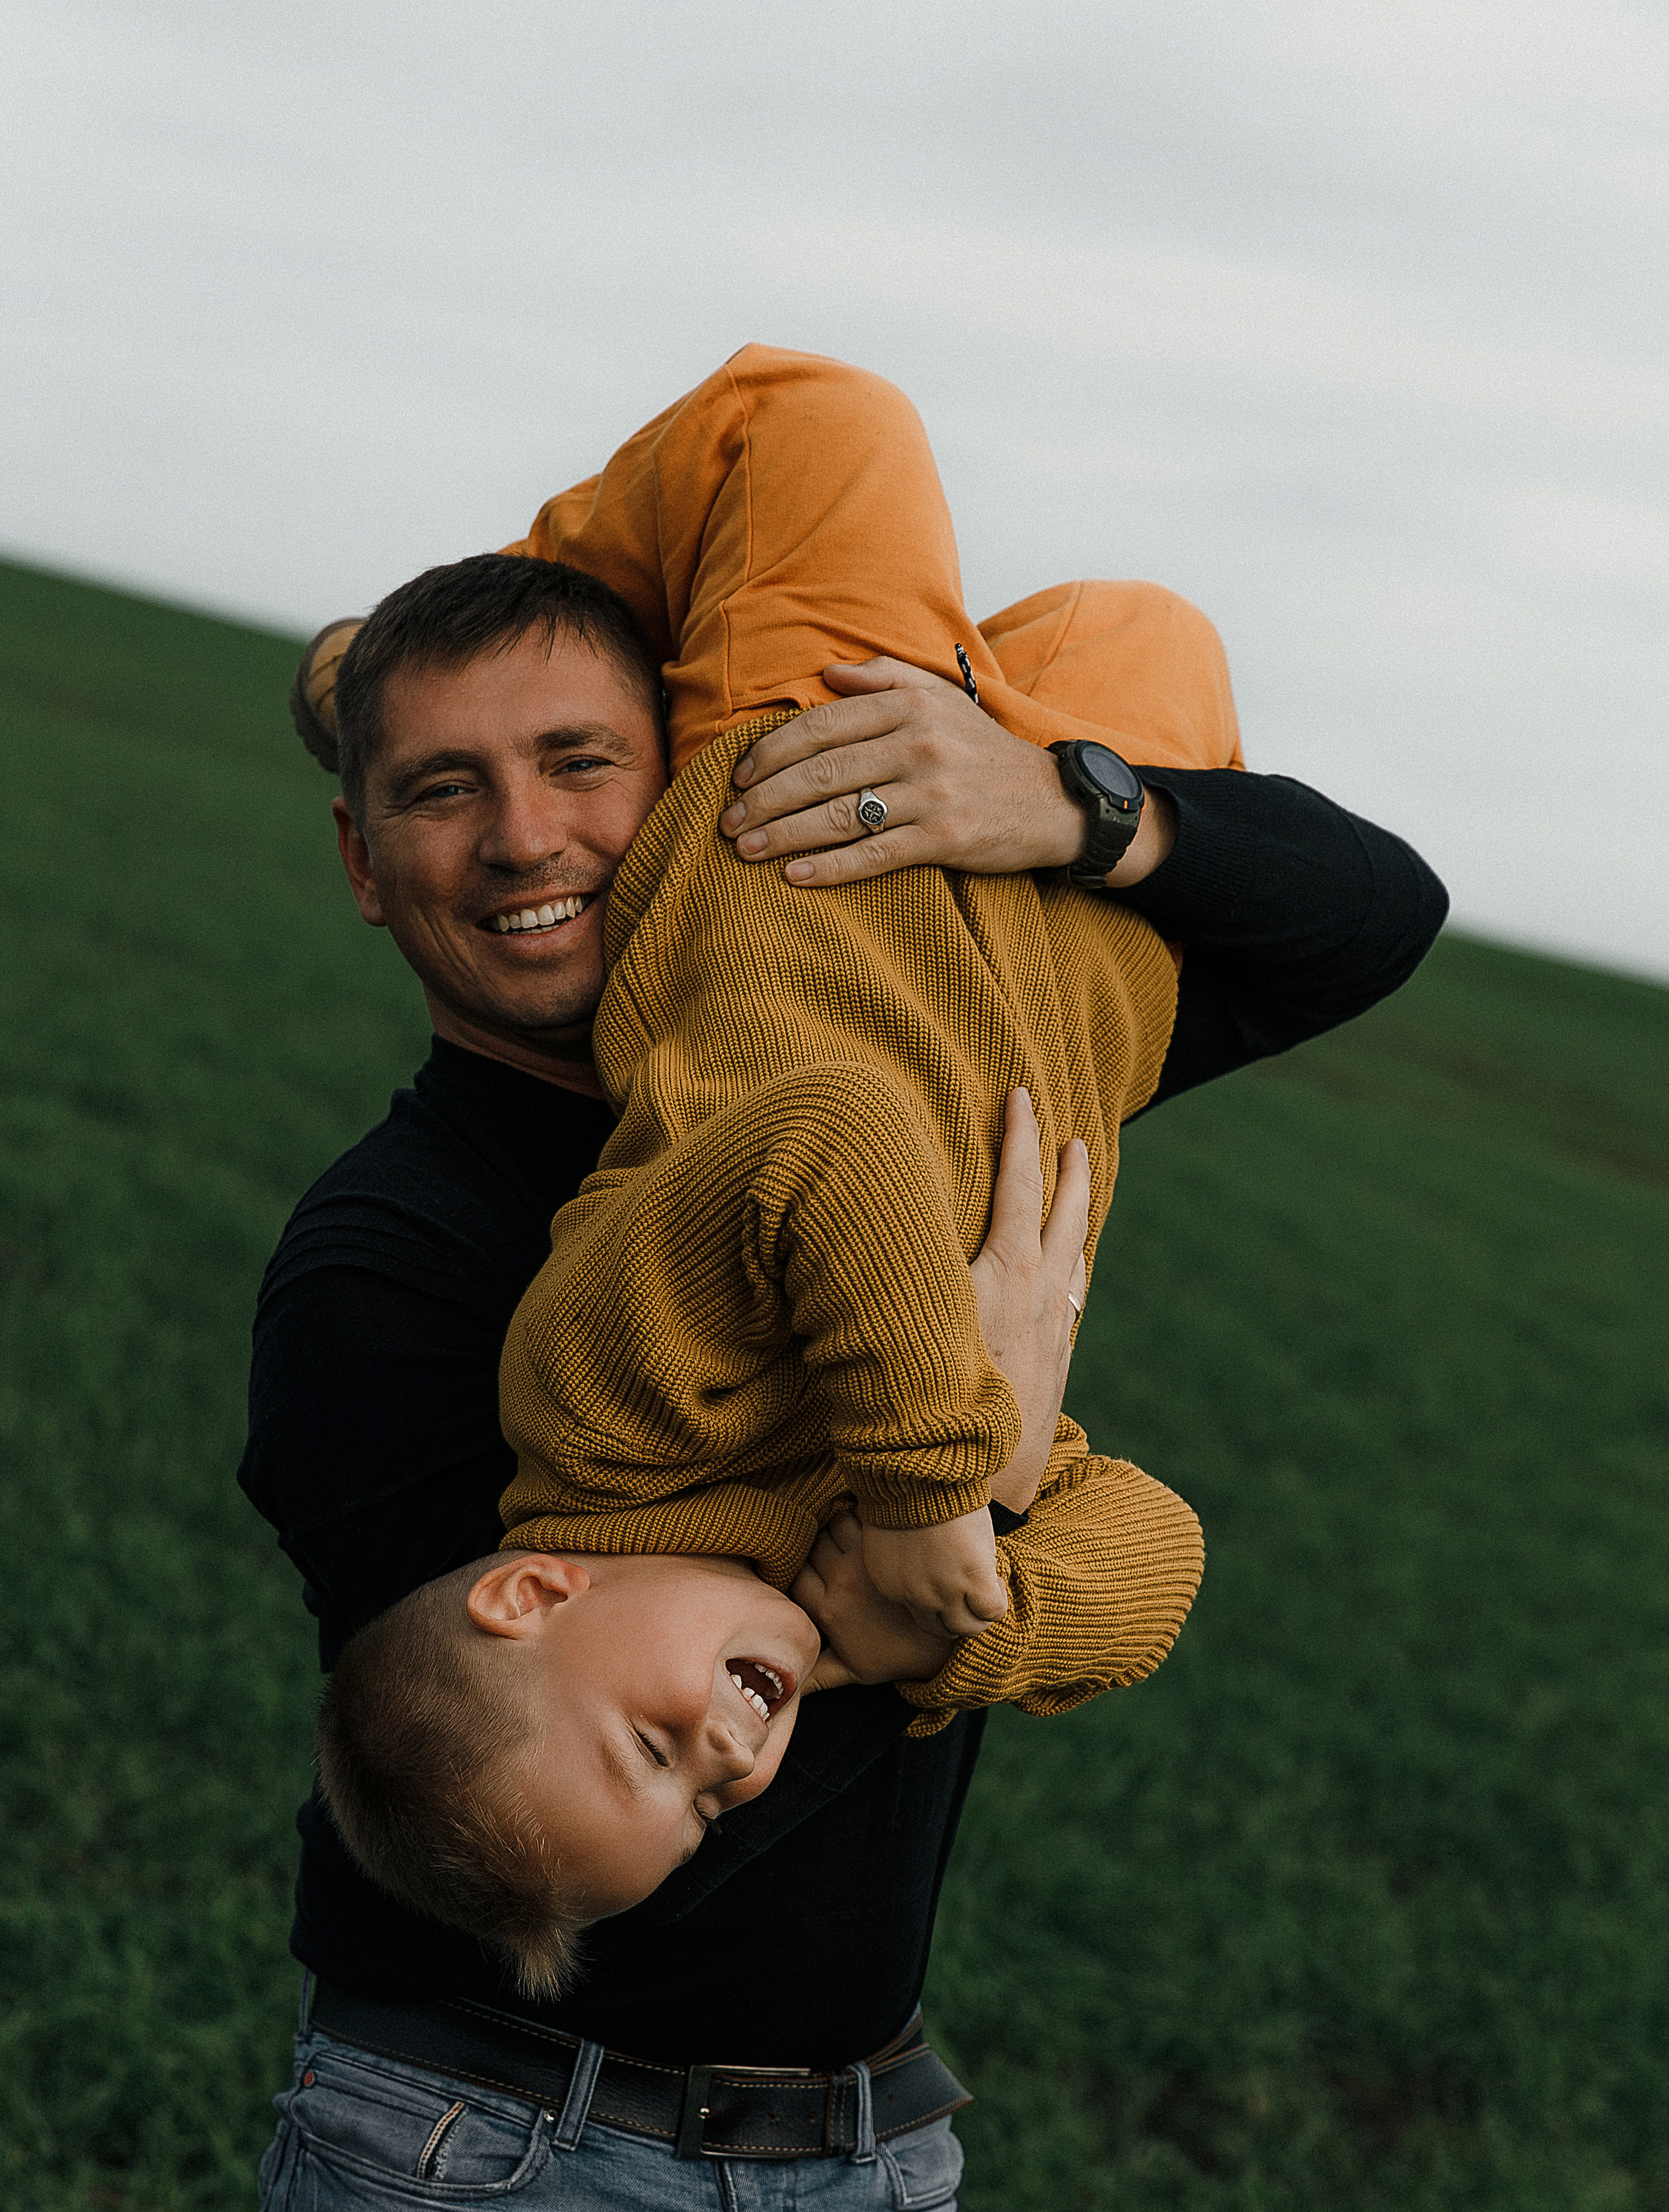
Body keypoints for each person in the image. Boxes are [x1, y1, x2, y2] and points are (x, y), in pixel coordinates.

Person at [218, 350, 1449, 2212]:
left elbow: (1369, 912)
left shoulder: (827, 965)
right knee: (1108, 606)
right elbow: (527, 1722)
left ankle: (398, 653)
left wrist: (1063, 808)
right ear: (359, 858)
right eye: (436, 791)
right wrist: (959, 1514)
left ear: (669, 764)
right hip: (487, 2169)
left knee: (957, 515)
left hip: (866, 2182)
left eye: (582, 762)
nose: (522, 840)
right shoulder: (386, 1264)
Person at [315, 350, 1214, 1992]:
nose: (729, 1771)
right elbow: (1157, 1550)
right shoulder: (859, 1598)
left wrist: (931, 1484)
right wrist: (954, 1615)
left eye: (650, 1757)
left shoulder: (594, 1409)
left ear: (529, 1592)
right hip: (1074, 971)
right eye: (705, 1811)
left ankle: (395, 667)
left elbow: (823, 1140)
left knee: (818, 423)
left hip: (808, 832)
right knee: (1147, 633)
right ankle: (991, 709)